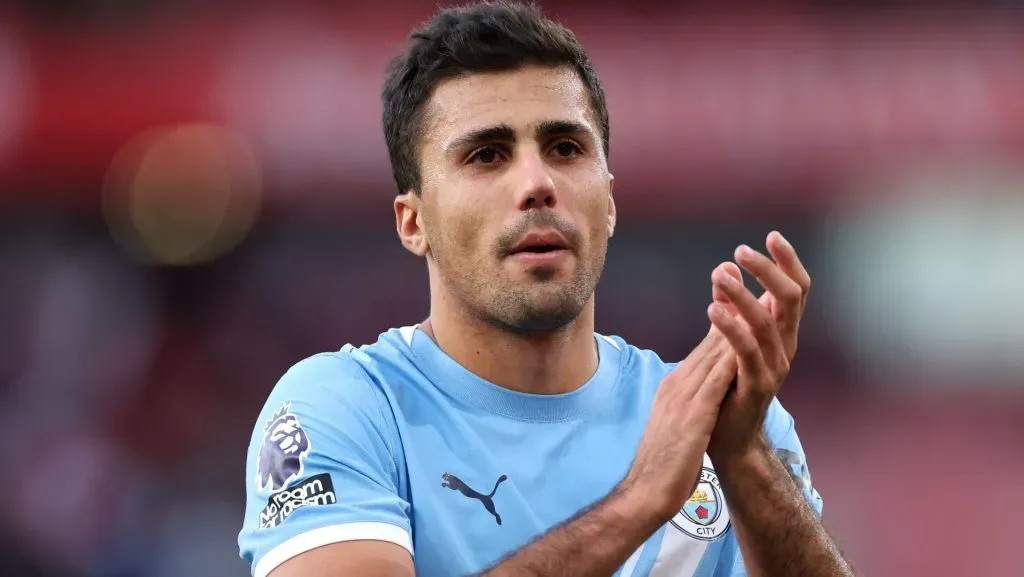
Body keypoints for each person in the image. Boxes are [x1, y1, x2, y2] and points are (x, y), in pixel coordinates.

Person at [237, 2, 854, 575]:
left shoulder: (726, 416)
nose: (537, 183)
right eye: (486, 155)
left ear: (609, 202)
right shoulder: (346, 409)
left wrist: (744, 458)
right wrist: (640, 498)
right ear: (413, 222)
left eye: (564, 147)